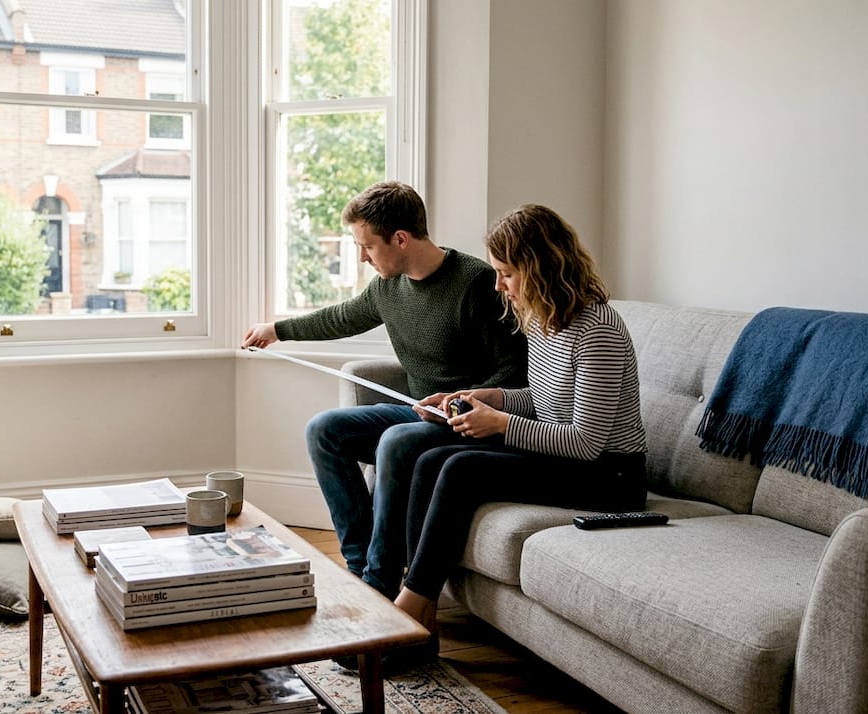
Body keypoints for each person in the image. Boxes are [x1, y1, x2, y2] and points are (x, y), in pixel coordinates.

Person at [391, 203, 648, 668]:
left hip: (611, 478)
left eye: (506, 274)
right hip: (571, 462)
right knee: (430, 459)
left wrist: (500, 424)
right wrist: (487, 398)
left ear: (540, 268)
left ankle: (408, 611)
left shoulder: (599, 331)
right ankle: (421, 615)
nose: (498, 285)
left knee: (461, 466)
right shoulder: (545, 320)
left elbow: (585, 442)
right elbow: (546, 401)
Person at [242, 181, 526, 601]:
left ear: (400, 239)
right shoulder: (386, 288)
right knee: (324, 430)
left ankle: (382, 578)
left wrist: (461, 401)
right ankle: (360, 570)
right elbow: (340, 318)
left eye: (367, 247)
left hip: (470, 422)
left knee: (395, 438)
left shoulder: (477, 284)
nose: (361, 257)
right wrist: (276, 330)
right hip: (420, 414)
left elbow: (516, 372)